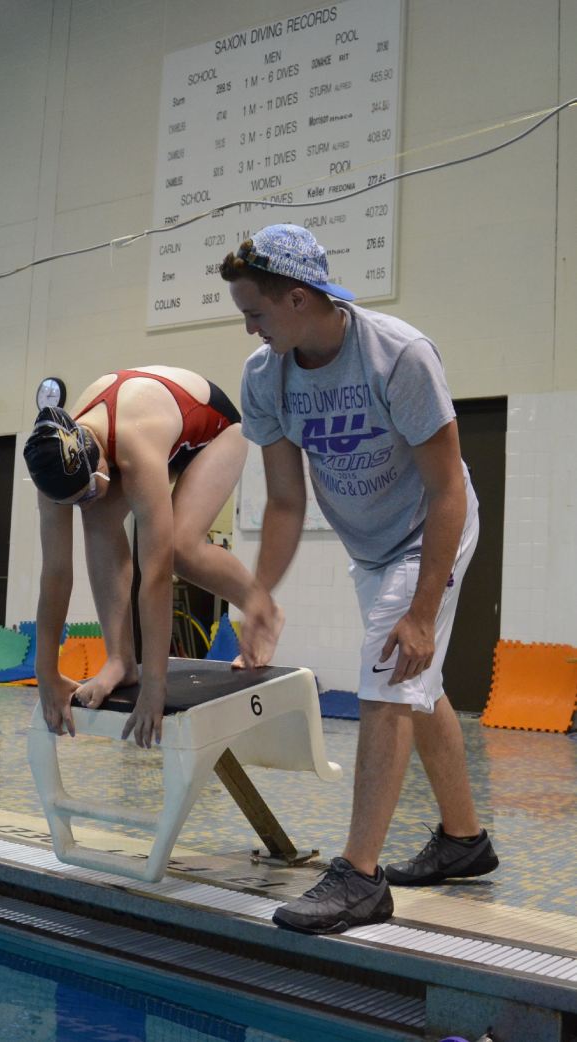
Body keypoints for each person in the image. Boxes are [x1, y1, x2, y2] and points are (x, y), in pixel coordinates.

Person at [221, 224, 498, 934]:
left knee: (387, 671)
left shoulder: (397, 356)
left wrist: (423, 613)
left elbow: (448, 491)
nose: (249, 326)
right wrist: (259, 592)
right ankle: (465, 842)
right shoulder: (266, 375)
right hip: (372, 546)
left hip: (429, 527)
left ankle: (360, 878)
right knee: (414, 682)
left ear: (298, 296)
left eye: (255, 311)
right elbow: (286, 501)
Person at [23, 367, 282, 748]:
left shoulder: (134, 444)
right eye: (74, 498)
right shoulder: (52, 470)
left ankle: (264, 609)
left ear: (95, 458)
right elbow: (56, 575)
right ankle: (121, 662)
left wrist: (155, 686)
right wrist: (45, 672)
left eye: (89, 488)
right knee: (97, 520)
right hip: (161, 436)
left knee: (179, 549)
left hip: (215, 431)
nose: (87, 499)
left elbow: (156, 574)